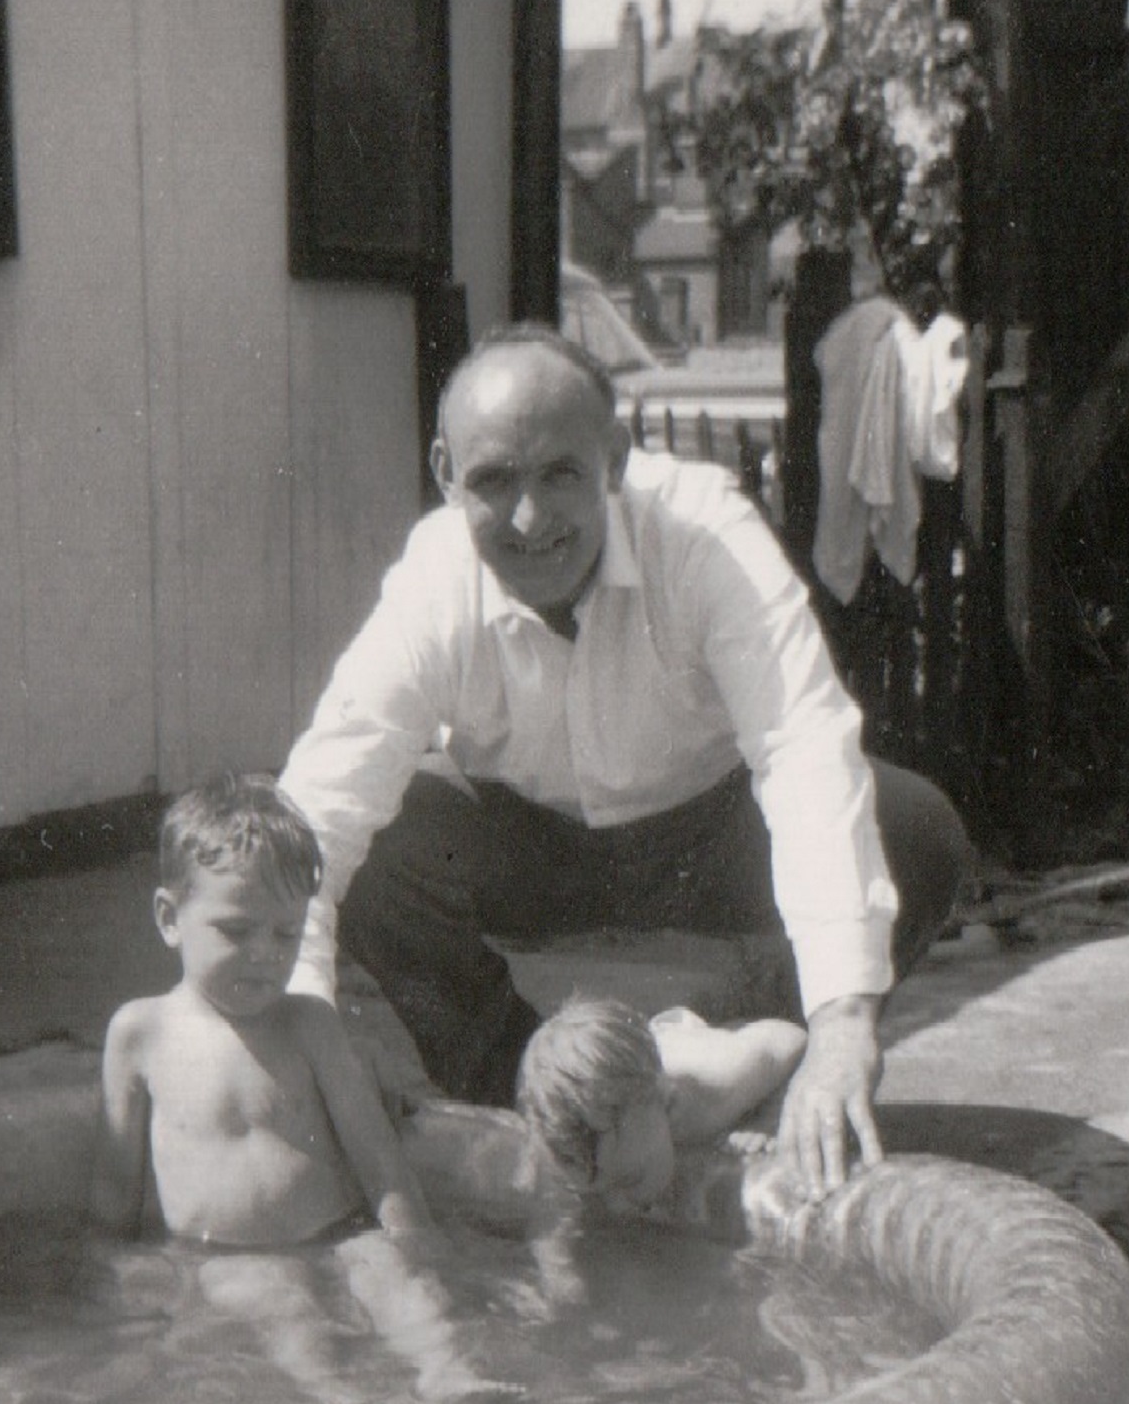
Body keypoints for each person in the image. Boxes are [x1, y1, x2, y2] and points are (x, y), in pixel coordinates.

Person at [277, 325, 971, 1199]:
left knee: (911, 829)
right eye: (494, 481)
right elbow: (316, 811)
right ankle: (526, 1094)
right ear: (447, 473)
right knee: (376, 845)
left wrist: (841, 1026)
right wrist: (293, 1026)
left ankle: (754, 1068)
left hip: (709, 835)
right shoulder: (431, 582)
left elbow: (803, 750)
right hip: (528, 843)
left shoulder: (707, 533)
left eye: (561, 474)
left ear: (614, 456)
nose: (530, 521)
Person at [89, 775, 503, 1404]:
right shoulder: (140, 1033)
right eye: (237, 930)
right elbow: (115, 1185)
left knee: (394, 1277)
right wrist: (113, 1271)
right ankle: (336, 1400)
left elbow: (377, 1160)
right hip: (228, 1260)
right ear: (170, 919)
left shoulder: (311, 1023)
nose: (265, 955)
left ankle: (447, 1371)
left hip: (342, 1233)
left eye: (286, 934)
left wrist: (416, 1243)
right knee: (278, 1305)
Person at [511, 996, 808, 1309]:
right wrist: (559, 1274)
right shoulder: (569, 1142)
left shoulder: (713, 1093)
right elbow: (549, 1214)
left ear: (667, 1103)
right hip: (640, 1062)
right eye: (598, 1192)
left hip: (708, 1045)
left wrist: (770, 1118)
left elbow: (795, 1042)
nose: (617, 1207)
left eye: (630, 1182)